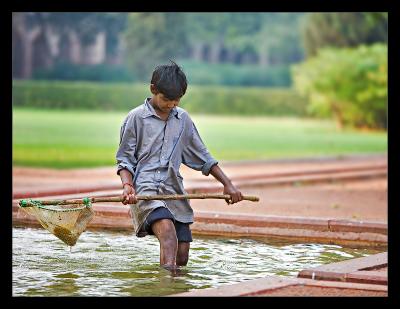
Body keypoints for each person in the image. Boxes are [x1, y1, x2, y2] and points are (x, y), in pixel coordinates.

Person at [116, 60, 243, 273]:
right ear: (153, 90)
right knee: (167, 234)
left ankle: (171, 281)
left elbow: (203, 155)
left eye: (177, 100)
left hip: (174, 192)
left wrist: (228, 184)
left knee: (181, 255)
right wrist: (128, 186)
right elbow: (125, 159)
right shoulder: (136, 118)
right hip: (145, 193)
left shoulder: (182, 119)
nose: (172, 105)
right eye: (167, 99)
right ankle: (167, 287)